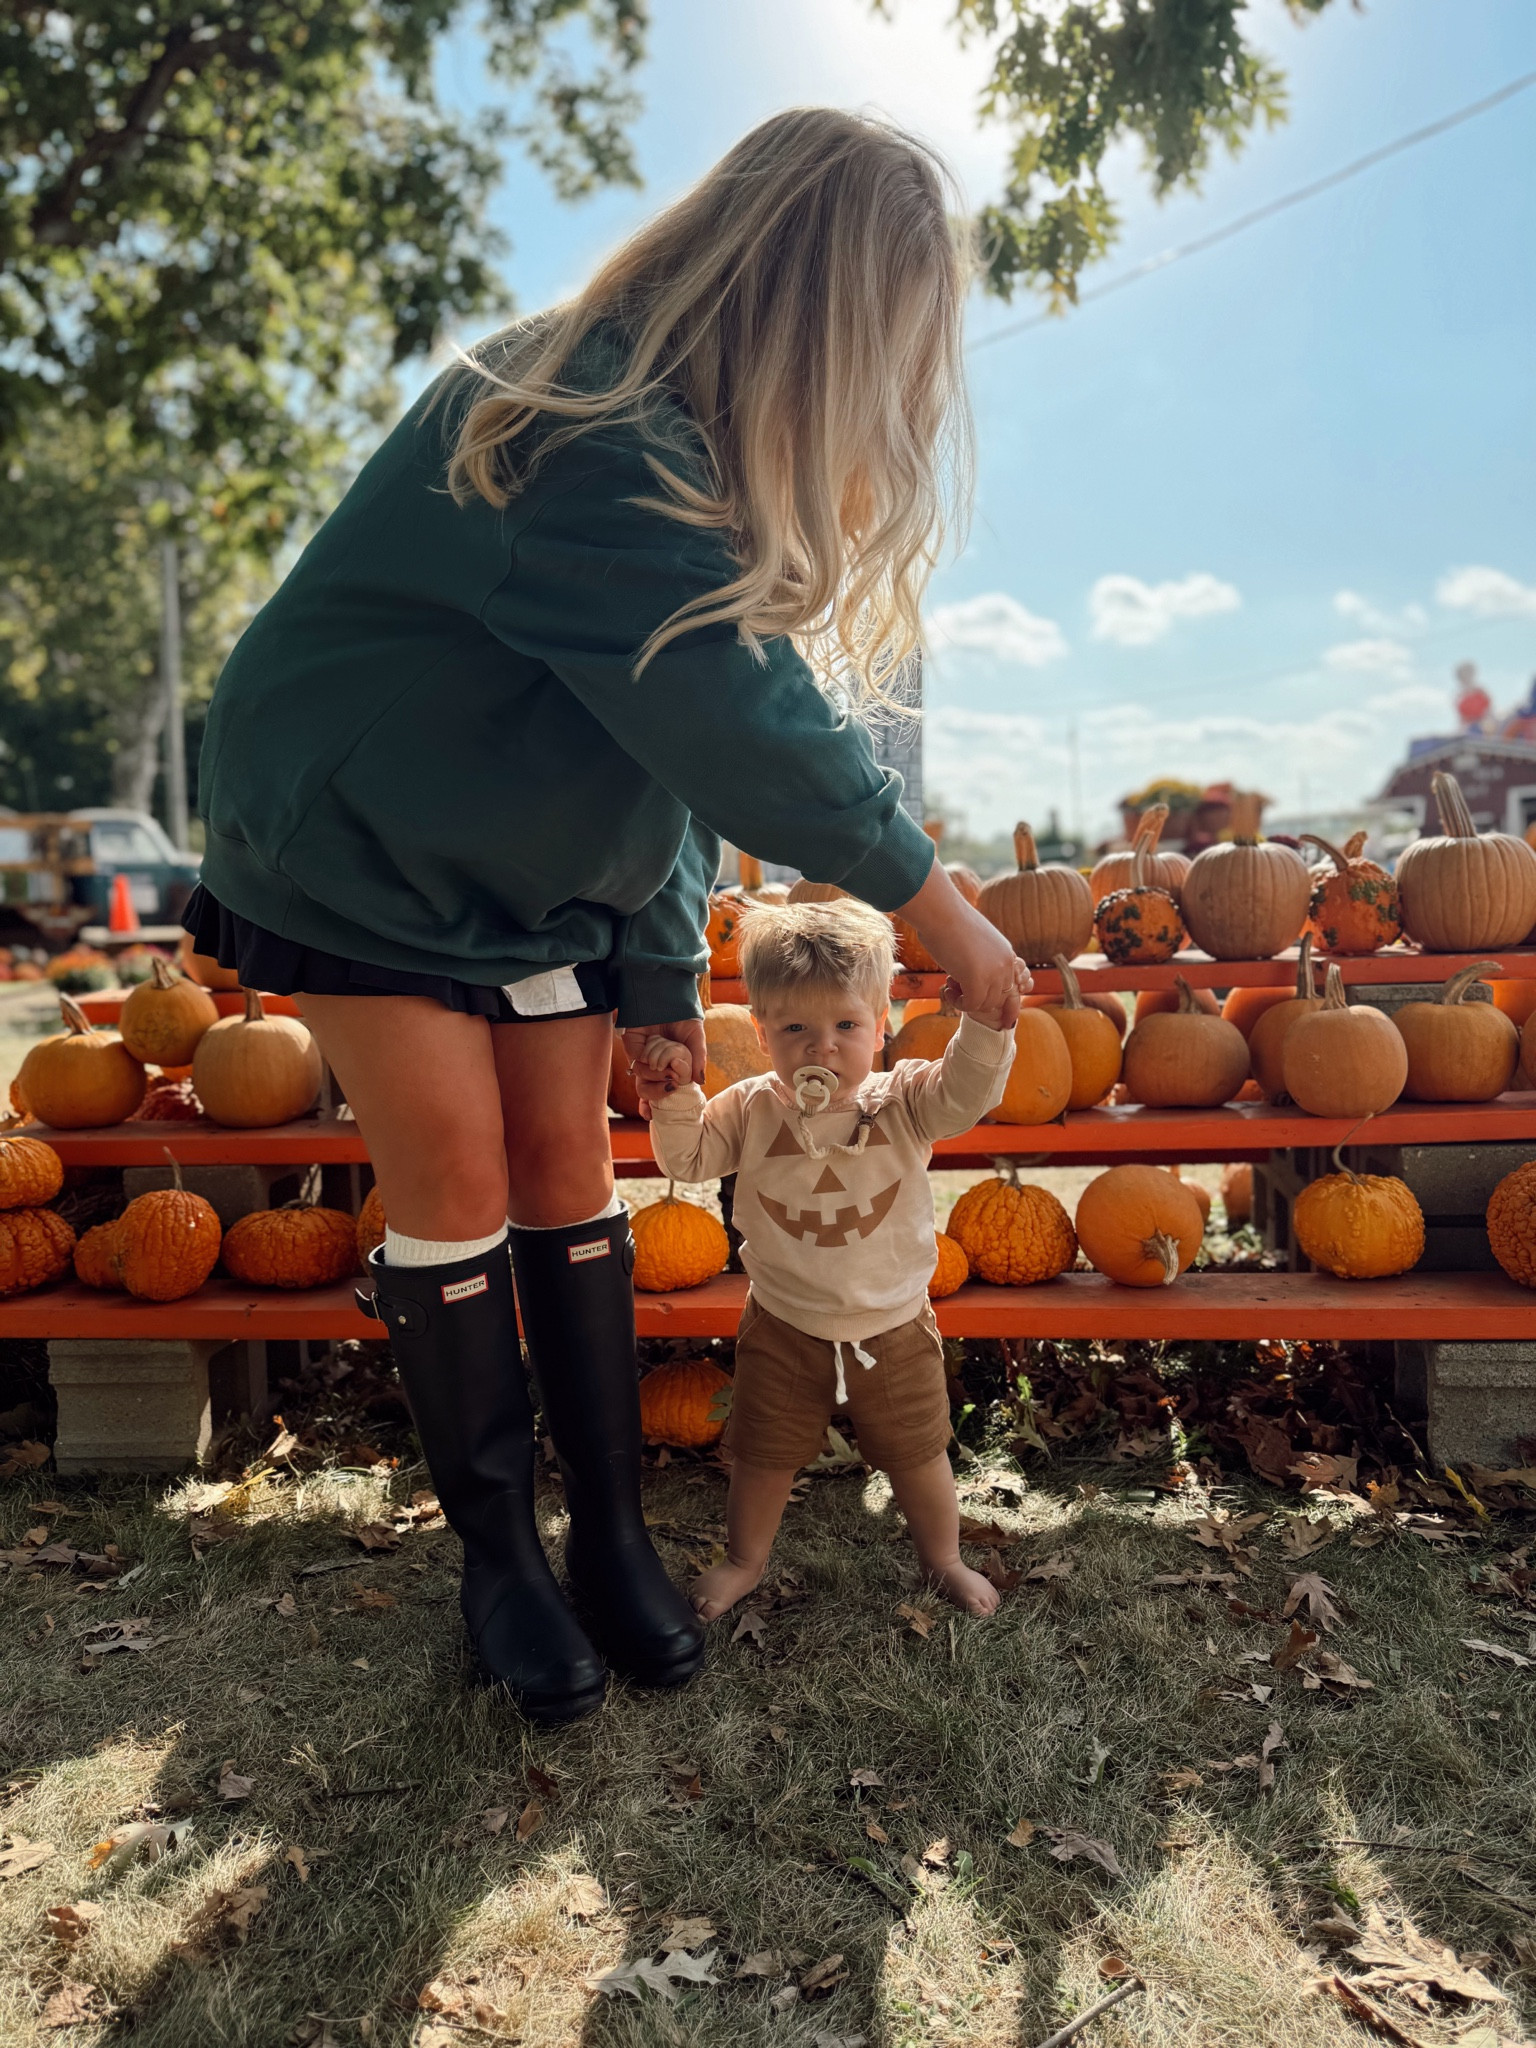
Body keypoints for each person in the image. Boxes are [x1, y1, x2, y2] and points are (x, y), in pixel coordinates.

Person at [185, 107, 1026, 1724]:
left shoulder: (701, 473)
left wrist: (654, 970)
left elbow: (674, 770)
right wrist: (932, 896)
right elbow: (732, 720)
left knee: (572, 1168)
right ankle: (498, 1553)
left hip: (532, 856)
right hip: (357, 832)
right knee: (460, 1173)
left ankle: (613, 1532)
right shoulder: (582, 422)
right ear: (814, 306)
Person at [643, 899, 1014, 1618]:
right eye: (795, 1029)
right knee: (762, 1453)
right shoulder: (750, 1110)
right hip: (784, 1321)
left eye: (846, 1026)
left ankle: (943, 1558)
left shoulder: (904, 1100)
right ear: (760, 1033)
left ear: (880, 1025)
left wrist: (983, 1026)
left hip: (894, 1322)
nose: (822, 1048)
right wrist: (677, 1096)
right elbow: (687, 1159)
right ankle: (745, 1560)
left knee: (917, 1452)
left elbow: (966, 1095)